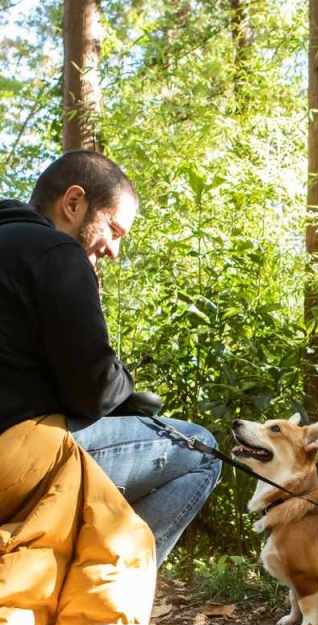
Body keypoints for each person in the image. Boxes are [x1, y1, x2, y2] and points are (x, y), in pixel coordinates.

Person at [0, 150, 221, 566]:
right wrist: (128, 391)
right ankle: (105, 595)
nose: (115, 250)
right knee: (202, 450)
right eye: (115, 230)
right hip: (13, 459)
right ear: (73, 203)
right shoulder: (55, 254)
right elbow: (93, 391)